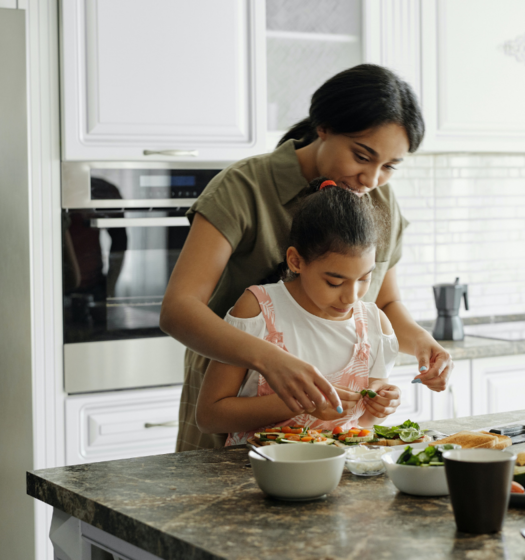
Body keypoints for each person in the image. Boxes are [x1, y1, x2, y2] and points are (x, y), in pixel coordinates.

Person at [160, 64, 455, 451]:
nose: (372, 179)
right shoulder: (244, 187)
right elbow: (178, 309)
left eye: (389, 167)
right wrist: (271, 360)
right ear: (324, 127)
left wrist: (421, 343)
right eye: (362, 156)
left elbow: (383, 302)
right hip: (234, 401)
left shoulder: (379, 199)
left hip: (329, 436)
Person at [196, 179, 399, 444]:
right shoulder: (258, 310)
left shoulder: (375, 325)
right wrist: (300, 403)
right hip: (256, 475)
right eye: (334, 282)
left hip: (340, 476)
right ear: (296, 261)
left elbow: (363, 424)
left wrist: (380, 407)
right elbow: (209, 416)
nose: (351, 296)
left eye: (364, 278)